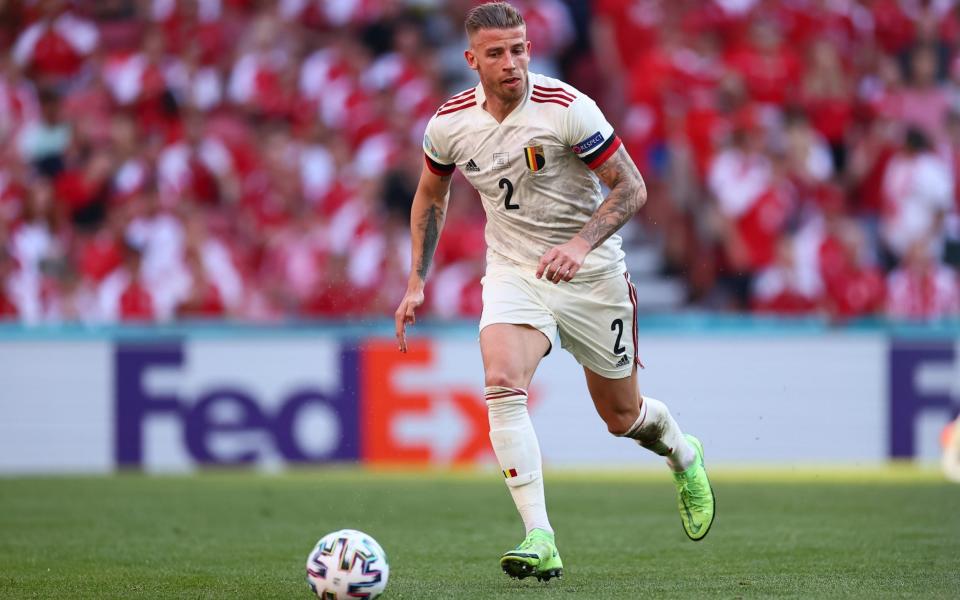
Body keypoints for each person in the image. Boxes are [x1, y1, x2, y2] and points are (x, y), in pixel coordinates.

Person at [393, 1, 715, 582]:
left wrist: (581, 245)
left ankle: (683, 454)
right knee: (501, 383)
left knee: (622, 418)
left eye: (519, 49)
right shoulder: (449, 124)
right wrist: (417, 278)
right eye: (497, 53)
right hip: (516, 271)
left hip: (592, 276)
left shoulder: (567, 108)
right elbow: (430, 196)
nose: (512, 62)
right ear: (471, 60)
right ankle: (539, 535)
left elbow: (632, 188)